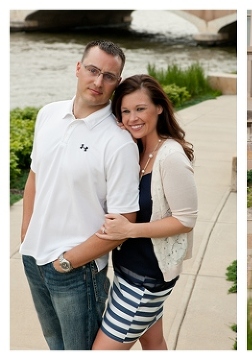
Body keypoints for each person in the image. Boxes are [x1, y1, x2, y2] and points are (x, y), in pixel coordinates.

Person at [20, 40, 140, 350]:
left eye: (109, 76)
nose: (99, 82)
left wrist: (67, 261)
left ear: (118, 82)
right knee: (55, 346)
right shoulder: (48, 114)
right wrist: (26, 237)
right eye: (93, 70)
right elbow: (35, 178)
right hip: (35, 258)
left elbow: (124, 221)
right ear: (78, 68)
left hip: (77, 270)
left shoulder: (119, 142)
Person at [88, 74, 198, 350]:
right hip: (127, 272)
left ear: (159, 108)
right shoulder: (134, 149)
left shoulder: (170, 156)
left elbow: (186, 219)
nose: (132, 118)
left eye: (140, 109)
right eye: (125, 111)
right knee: (154, 343)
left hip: (146, 281)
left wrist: (130, 230)